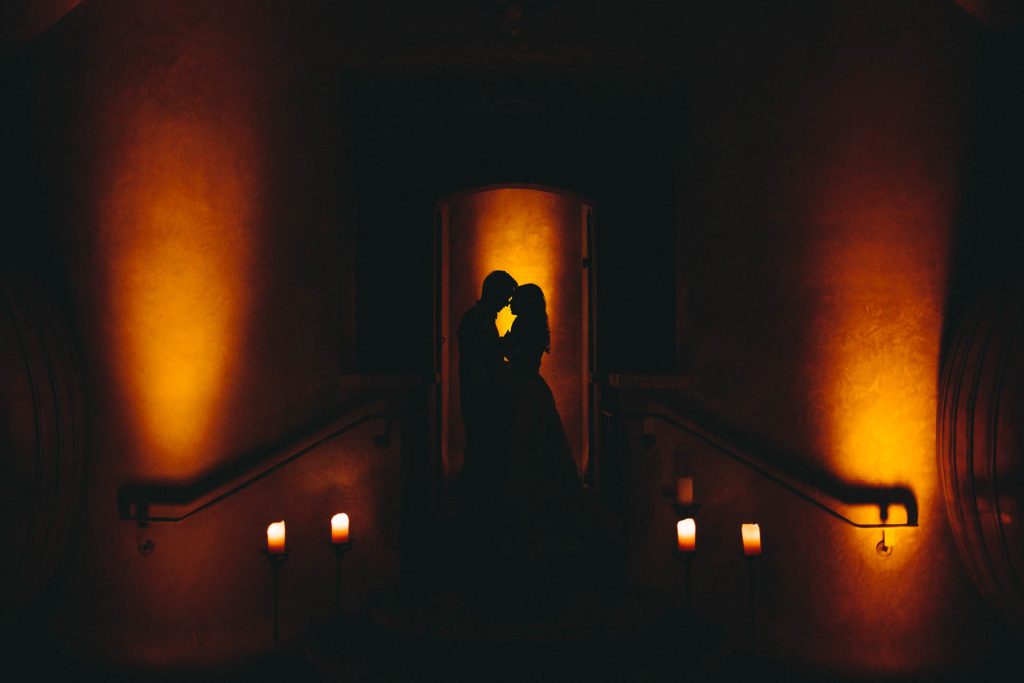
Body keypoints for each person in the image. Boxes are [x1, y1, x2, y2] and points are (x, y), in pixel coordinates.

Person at [456, 270, 517, 545]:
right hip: (481, 400)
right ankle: (474, 517)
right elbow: (484, 363)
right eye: (505, 297)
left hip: (480, 399)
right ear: (494, 292)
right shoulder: (476, 322)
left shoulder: (477, 320)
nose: (506, 303)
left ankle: (475, 514)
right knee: (481, 454)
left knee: (481, 454)